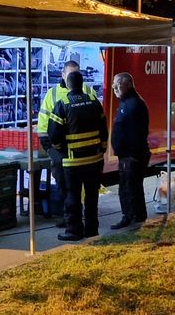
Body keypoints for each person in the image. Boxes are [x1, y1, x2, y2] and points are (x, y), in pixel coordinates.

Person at [47, 71, 108, 241]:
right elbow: (104, 128)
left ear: (67, 84)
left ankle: (73, 231)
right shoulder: (94, 102)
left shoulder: (63, 104)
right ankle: (91, 229)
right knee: (91, 196)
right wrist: (102, 148)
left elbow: (53, 134)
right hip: (95, 160)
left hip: (73, 161)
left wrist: (60, 149)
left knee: (72, 196)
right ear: (82, 84)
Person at [37, 60, 96, 226]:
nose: (73, 77)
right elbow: (43, 125)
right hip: (61, 150)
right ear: (63, 75)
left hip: (82, 149)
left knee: (83, 186)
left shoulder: (88, 91)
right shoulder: (53, 94)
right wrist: (52, 149)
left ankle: (77, 218)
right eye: (70, 74)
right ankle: (70, 216)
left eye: (76, 74)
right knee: (65, 182)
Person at [110, 72, 151, 229]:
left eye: (116, 85)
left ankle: (130, 216)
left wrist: (130, 154)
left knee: (128, 188)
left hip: (131, 155)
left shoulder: (132, 105)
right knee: (133, 186)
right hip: (131, 154)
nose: (114, 88)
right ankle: (138, 215)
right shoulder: (130, 102)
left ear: (125, 85)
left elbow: (134, 132)